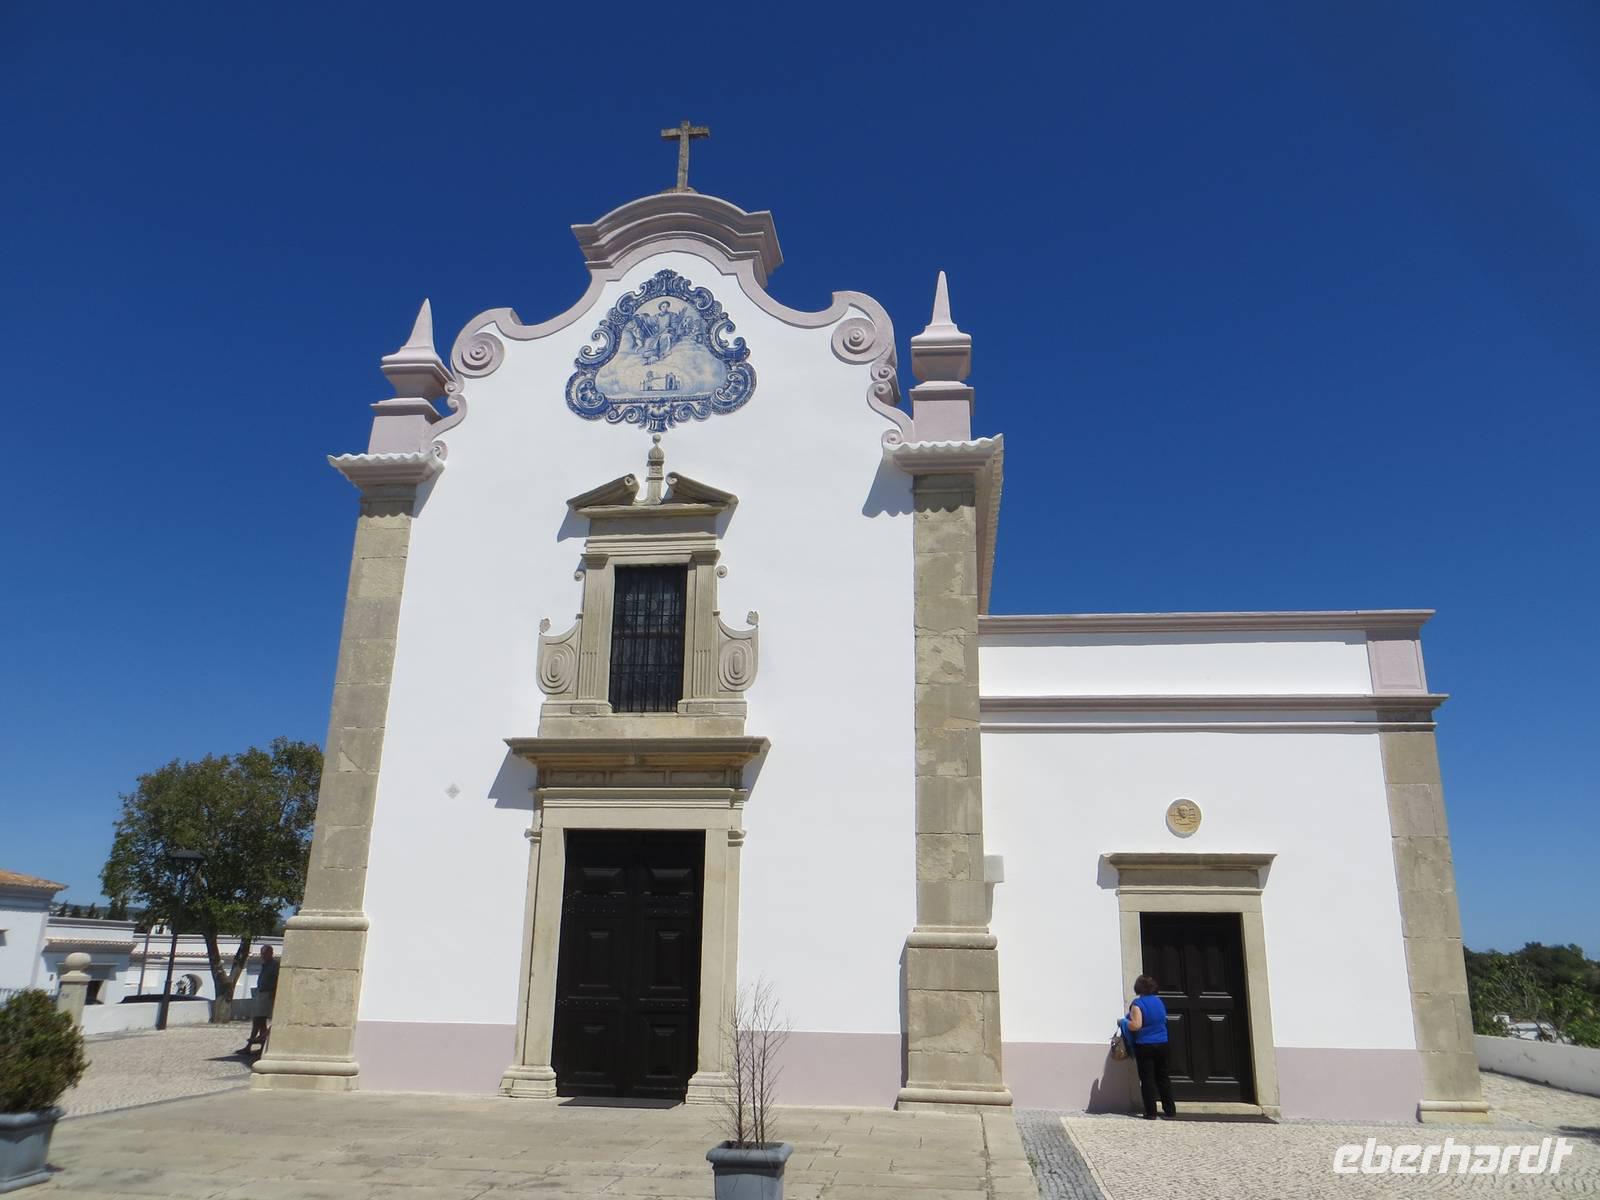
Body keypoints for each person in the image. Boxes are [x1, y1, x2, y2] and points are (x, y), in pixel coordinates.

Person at [1124, 974, 1176, 1119]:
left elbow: (1136, 1025)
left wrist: (1123, 1022)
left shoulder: (1138, 1004)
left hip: (1145, 1045)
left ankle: (1151, 1112)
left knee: (1147, 1079)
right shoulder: (1159, 1002)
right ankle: (1170, 1110)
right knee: (1163, 1077)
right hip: (1163, 1043)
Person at [242, 945, 278, 1055]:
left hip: (267, 995)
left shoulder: (274, 965)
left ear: (270, 953)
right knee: (259, 1021)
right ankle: (258, 1046)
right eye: (262, 953)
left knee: (259, 1019)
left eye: (264, 953)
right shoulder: (265, 965)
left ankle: (253, 1044)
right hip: (261, 994)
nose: (262, 956)